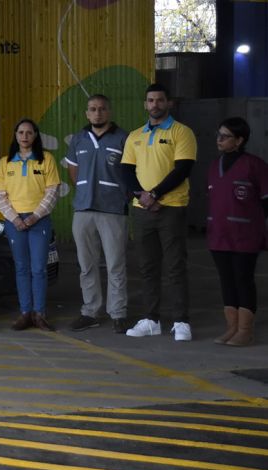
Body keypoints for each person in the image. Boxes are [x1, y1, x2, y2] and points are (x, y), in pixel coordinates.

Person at [121, 83, 197, 341]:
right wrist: (141, 196)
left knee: (175, 266)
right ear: (146, 104)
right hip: (142, 210)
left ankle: (181, 321)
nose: (155, 104)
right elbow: (126, 171)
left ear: (169, 103)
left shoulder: (182, 132)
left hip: (171, 208)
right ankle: (152, 320)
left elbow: (183, 169)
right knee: (147, 267)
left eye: (160, 100)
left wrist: (154, 194)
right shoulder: (135, 135)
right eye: (151, 100)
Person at [64, 95, 132, 334]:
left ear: (109, 112)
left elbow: (130, 173)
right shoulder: (79, 139)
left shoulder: (123, 138)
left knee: (115, 264)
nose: (97, 113)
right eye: (93, 109)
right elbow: (73, 172)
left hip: (113, 210)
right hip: (83, 210)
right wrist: (86, 191)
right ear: (87, 113)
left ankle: (118, 313)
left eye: (102, 109)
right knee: (87, 265)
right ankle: (91, 311)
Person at [0, 118, 61, 331]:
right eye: (21, 132)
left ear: (35, 136)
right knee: (21, 268)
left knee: (39, 268)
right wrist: (15, 219)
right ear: (15, 135)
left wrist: (34, 216)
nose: (24, 136)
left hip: (39, 221)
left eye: (29, 133)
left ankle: (39, 314)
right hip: (15, 222)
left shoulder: (46, 160)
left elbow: (52, 192)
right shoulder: (5, 163)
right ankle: (25, 313)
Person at [207, 117, 268, 347]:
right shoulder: (215, 165)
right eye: (218, 135)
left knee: (243, 279)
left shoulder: (255, 165)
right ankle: (231, 327)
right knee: (227, 281)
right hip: (219, 234)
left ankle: (245, 330)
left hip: (245, 235)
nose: (219, 140)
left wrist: (254, 222)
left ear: (240, 140)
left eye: (225, 136)